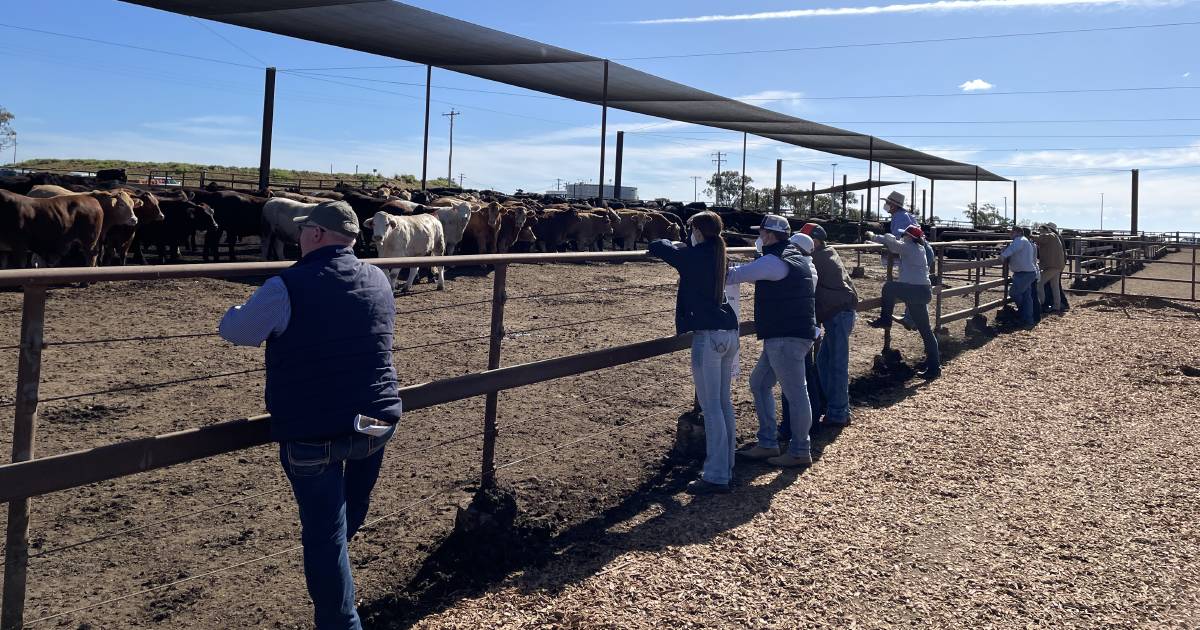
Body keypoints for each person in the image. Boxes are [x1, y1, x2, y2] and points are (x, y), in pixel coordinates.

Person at [218, 200, 402, 630]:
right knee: (346, 516)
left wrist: (236, 310)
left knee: (324, 535)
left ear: (316, 235)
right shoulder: (379, 277)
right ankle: (339, 556)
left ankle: (342, 622)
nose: (298, 237)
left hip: (313, 432)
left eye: (304, 231)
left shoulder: (287, 285)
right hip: (375, 423)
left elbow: (237, 332)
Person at [648, 211, 740, 495]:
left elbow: (657, 246)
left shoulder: (694, 256)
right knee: (723, 403)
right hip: (729, 331)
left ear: (697, 231)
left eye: (690, 229)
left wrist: (672, 242)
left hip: (708, 337)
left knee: (712, 407)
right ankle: (726, 465)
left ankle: (715, 475)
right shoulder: (716, 253)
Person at [727, 214, 820, 467]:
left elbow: (733, 275)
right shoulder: (795, 256)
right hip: (790, 332)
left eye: (761, 233)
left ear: (769, 235)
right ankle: (768, 442)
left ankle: (800, 449)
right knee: (759, 383)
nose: (759, 237)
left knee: (796, 393)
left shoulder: (772, 260)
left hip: (784, 335)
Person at [866, 225, 941, 379]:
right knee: (926, 331)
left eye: (904, 235)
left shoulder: (909, 248)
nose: (902, 237)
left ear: (908, 237)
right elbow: (893, 243)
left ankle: (885, 319)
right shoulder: (918, 248)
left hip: (915, 290)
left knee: (889, 287)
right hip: (923, 291)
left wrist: (873, 235)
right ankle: (935, 368)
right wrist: (876, 237)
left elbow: (892, 243)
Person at [803, 223, 859, 426]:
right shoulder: (828, 252)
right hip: (840, 313)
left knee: (835, 364)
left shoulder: (816, 258)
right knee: (826, 361)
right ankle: (835, 407)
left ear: (815, 241)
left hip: (838, 315)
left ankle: (838, 412)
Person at [882, 191, 935, 326]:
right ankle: (914, 319)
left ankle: (911, 319)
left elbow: (897, 240)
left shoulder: (899, 217)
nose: (886, 205)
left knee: (910, 284)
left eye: (888, 203)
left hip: (915, 251)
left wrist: (881, 241)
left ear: (893, 205)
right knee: (915, 284)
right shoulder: (904, 215)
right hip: (923, 250)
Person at [1000, 224, 1040, 327]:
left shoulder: (1019, 240)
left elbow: (1013, 249)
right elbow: (1014, 249)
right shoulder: (1023, 241)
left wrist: (1003, 255)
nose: (1010, 233)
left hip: (1024, 273)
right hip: (1026, 272)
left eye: (1012, 231)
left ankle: (1023, 312)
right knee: (1027, 296)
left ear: (1018, 232)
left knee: (1014, 293)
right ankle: (1027, 319)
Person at [1033, 222, 1066, 313]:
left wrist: (1029, 236)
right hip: (1056, 265)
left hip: (1052, 266)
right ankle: (1057, 306)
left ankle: (1041, 303)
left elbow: (1040, 239)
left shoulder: (1049, 236)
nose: (1040, 232)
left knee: (1039, 283)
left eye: (1041, 230)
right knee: (1054, 286)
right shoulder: (1054, 237)